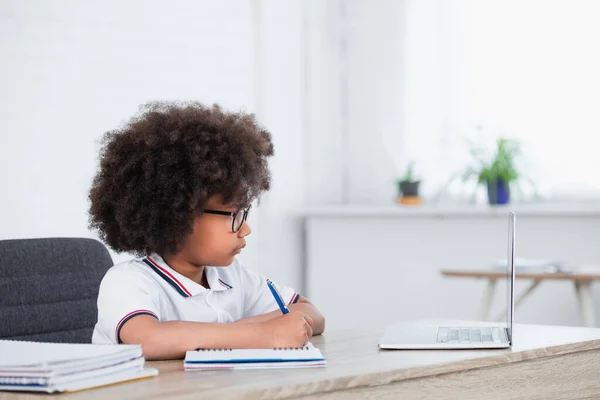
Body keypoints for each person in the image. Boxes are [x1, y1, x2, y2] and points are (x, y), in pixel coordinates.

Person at [88, 101, 325, 360]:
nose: (245, 229)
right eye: (232, 215)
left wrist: (241, 330)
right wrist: (263, 334)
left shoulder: (231, 276)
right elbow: (147, 339)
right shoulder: (128, 281)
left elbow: (311, 312)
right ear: (178, 215)